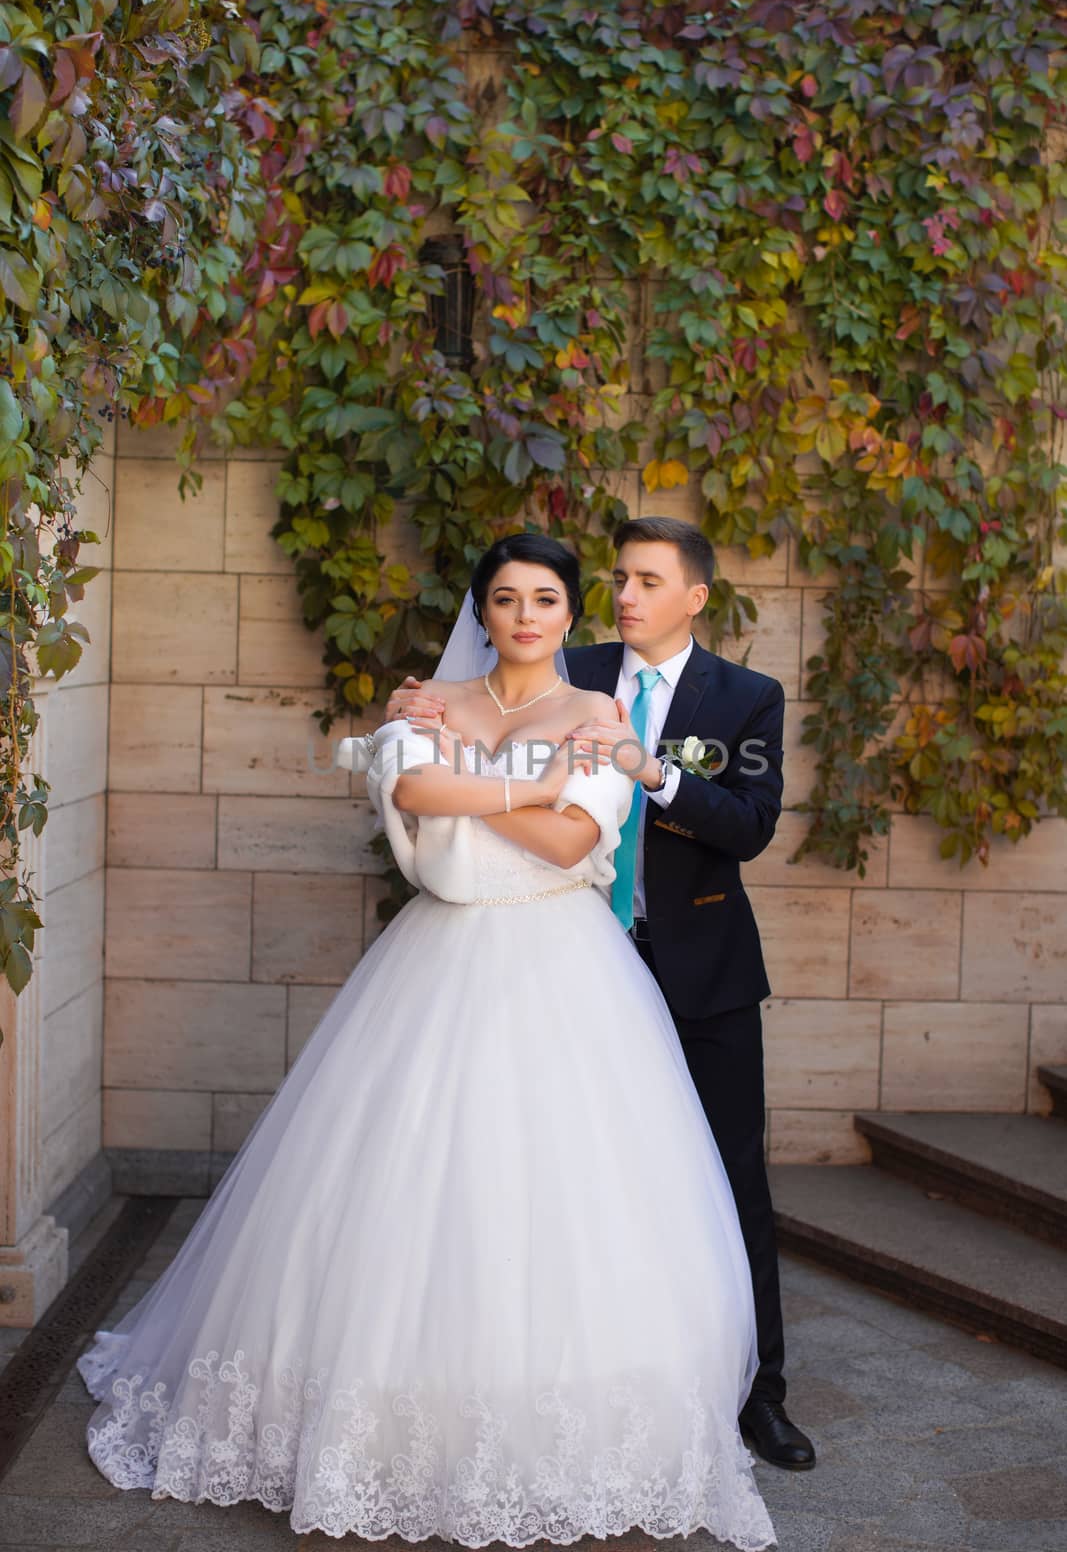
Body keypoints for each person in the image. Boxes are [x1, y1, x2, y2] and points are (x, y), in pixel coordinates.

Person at [76, 531, 776, 1550]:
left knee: (585, 1190)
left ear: (568, 616)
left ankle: (701, 1404)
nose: (525, 614)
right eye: (504, 598)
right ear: (481, 612)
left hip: (570, 965)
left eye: (546, 598)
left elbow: (577, 839)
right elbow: (413, 794)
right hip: (438, 956)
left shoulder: (598, 707)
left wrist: (489, 783)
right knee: (403, 1180)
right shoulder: (432, 703)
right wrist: (523, 780)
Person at [389, 516, 815, 1473]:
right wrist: (417, 707)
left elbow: (747, 827)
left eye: (648, 581)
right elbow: (477, 688)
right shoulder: (564, 656)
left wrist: (651, 771)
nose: (625, 596)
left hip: (694, 962)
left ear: (694, 597)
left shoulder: (745, 698)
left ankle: (759, 1395)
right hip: (564, 951)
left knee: (728, 1178)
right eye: (618, 578)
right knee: (554, 1174)